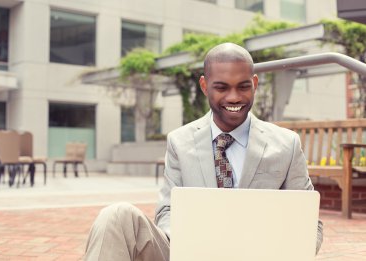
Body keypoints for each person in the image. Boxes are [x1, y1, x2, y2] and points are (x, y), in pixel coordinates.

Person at [84, 42, 323, 260]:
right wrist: (190, 245)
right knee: (116, 215)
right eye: (222, 87)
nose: (234, 97)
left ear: (255, 84)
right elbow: (167, 211)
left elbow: (310, 222)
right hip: (191, 254)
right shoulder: (180, 141)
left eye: (243, 86)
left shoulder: (286, 144)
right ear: (204, 86)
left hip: (258, 256)